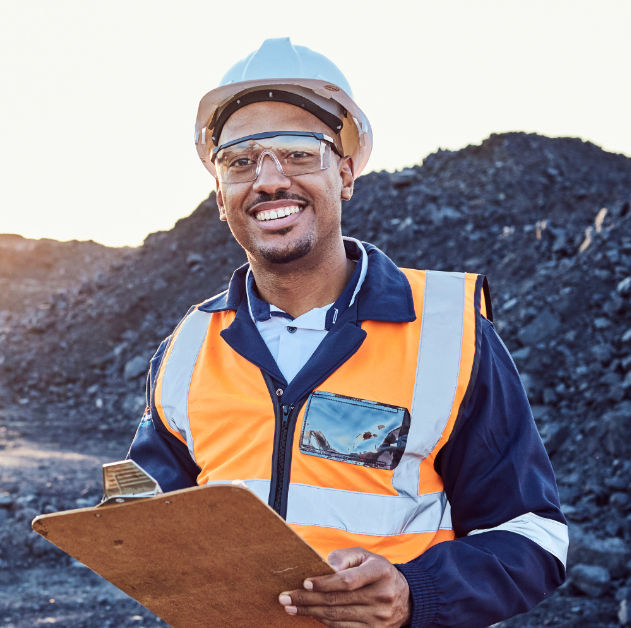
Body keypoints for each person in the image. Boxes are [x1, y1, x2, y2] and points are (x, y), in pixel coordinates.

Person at [126, 37, 566, 628]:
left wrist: (415, 594)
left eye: (299, 154)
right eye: (240, 162)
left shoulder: (448, 335)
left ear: (346, 172)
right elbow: (152, 517)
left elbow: (533, 537)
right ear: (220, 194)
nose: (269, 180)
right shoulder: (189, 347)